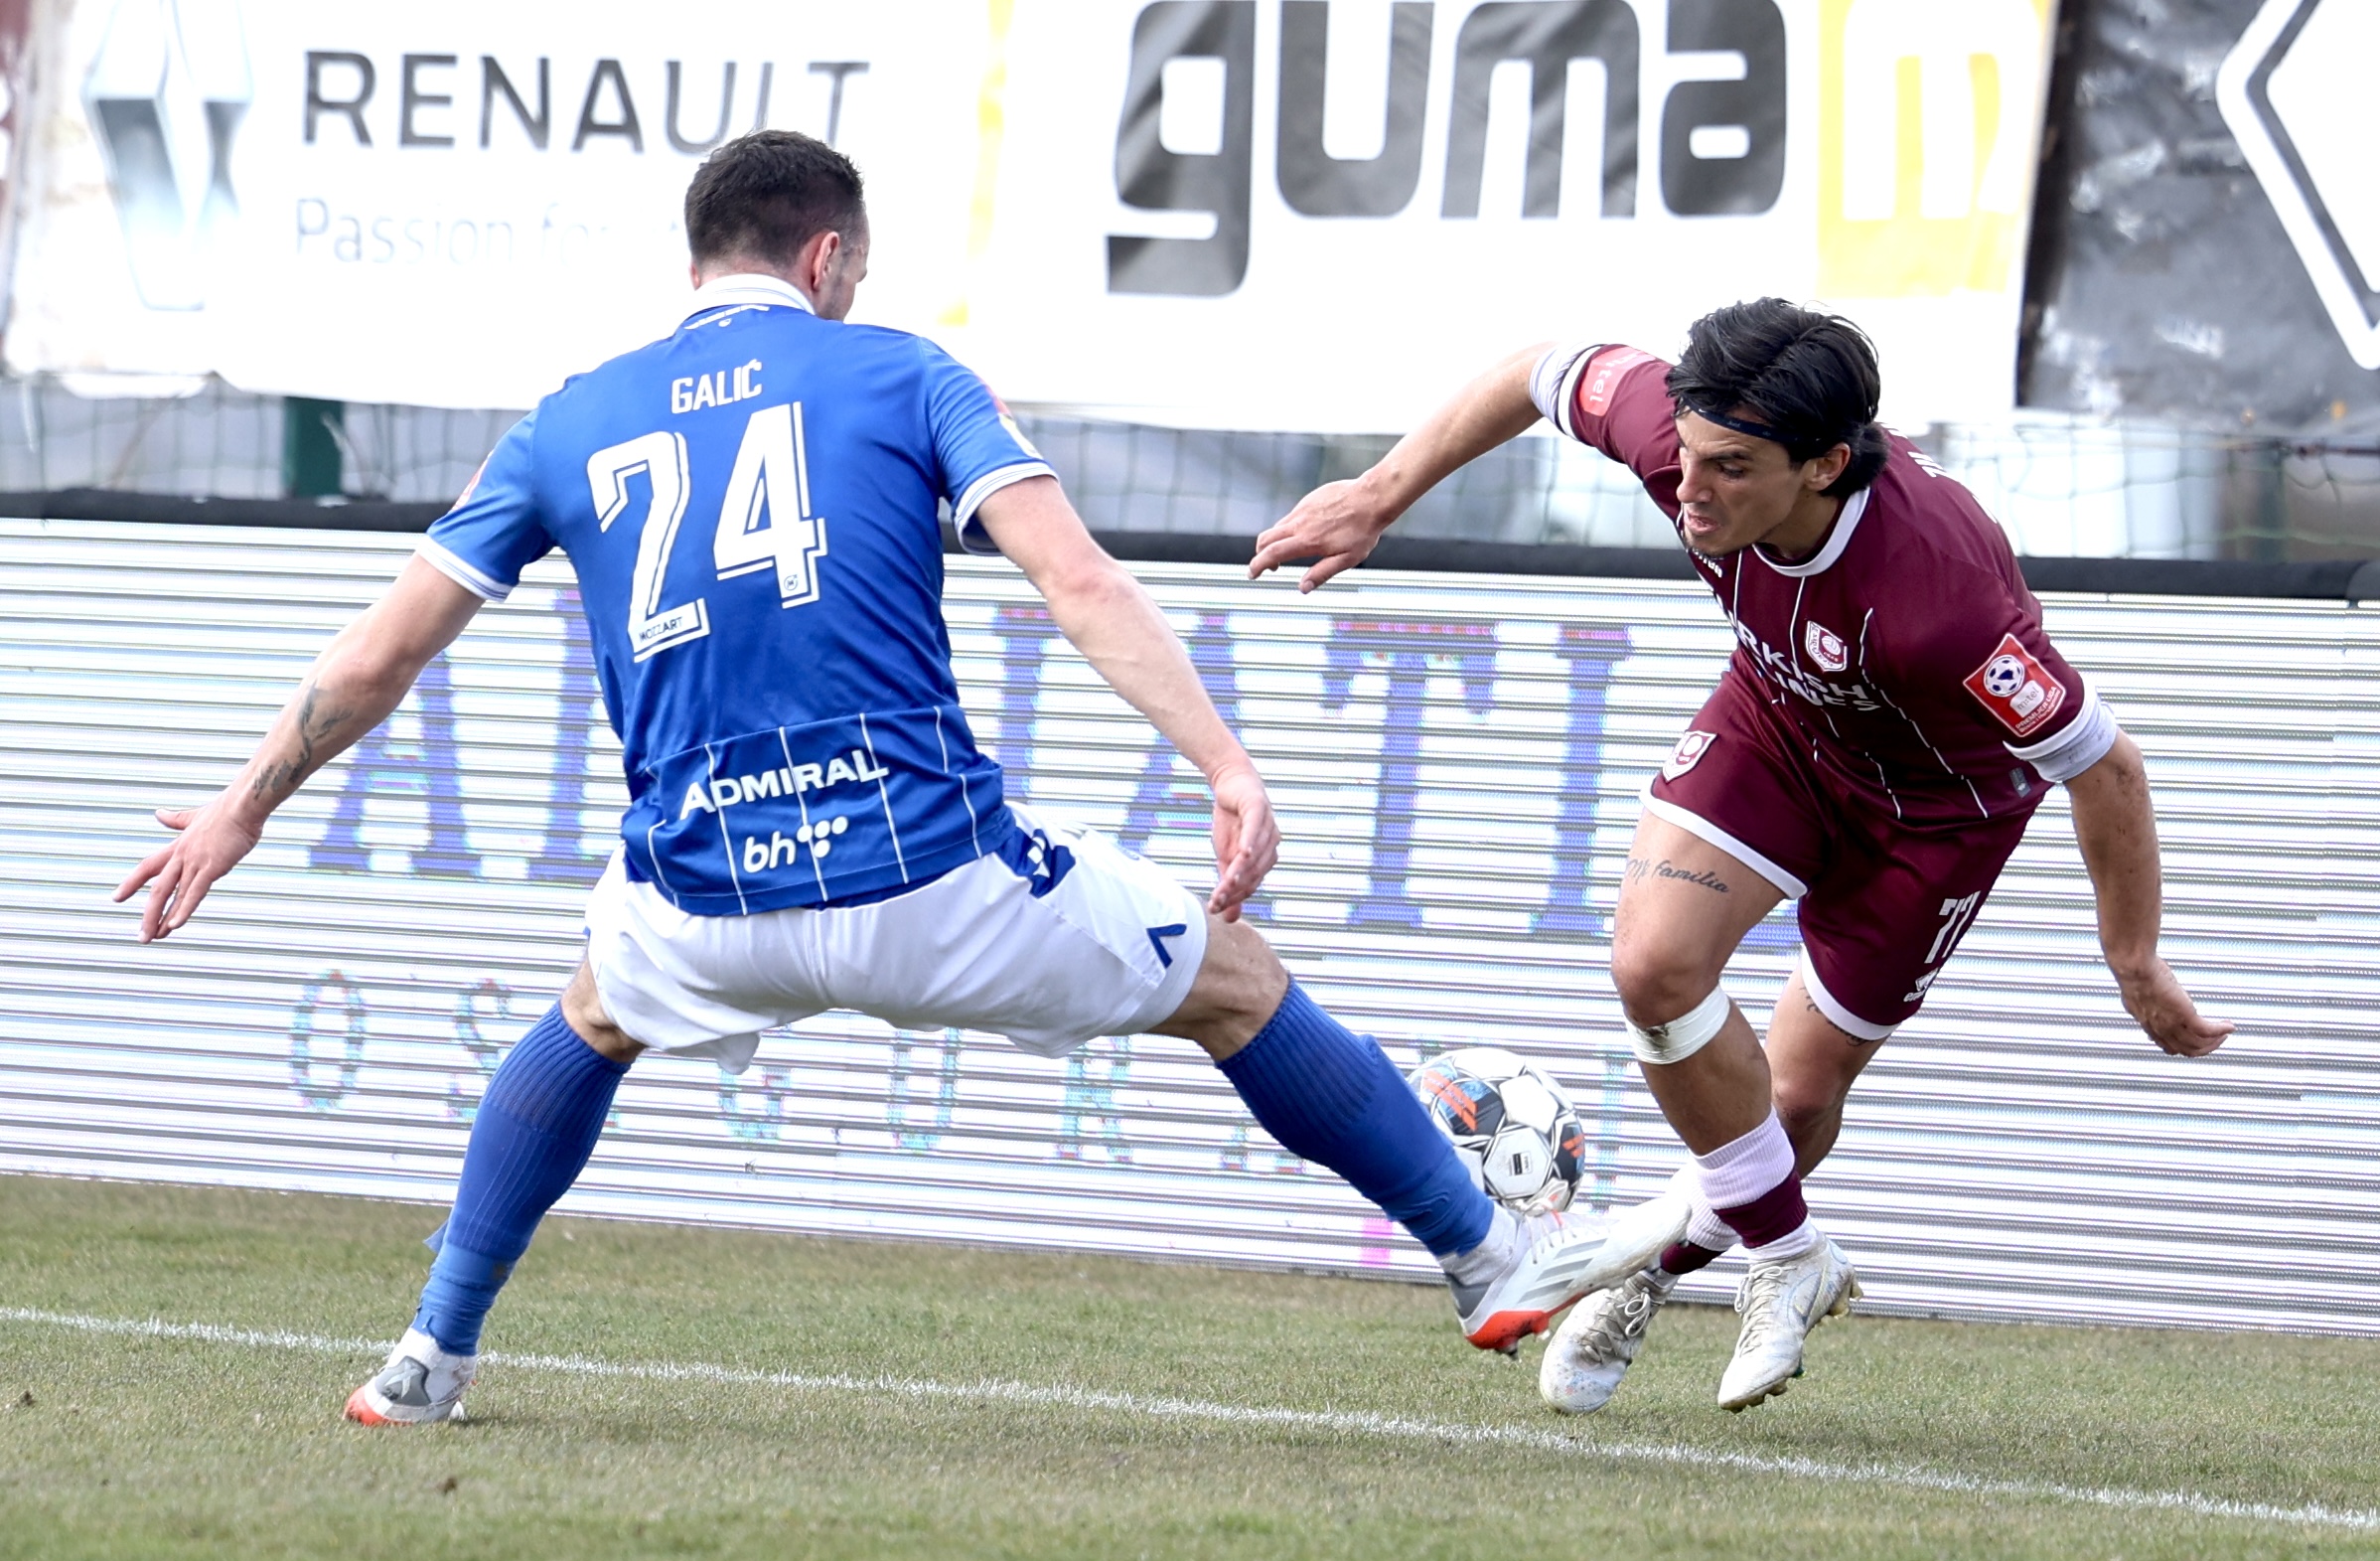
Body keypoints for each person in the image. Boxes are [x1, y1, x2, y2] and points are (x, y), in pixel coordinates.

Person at [113, 132, 1680, 1426]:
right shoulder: (900, 371)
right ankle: (1490, 1254)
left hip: (702, 895)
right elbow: (1074, 581)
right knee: (1239, 984)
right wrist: (1221, 758)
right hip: (927, 877)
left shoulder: (565, 423)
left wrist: (245, 804)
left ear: (694, 268)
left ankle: (430, 1354)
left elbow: (379, 658)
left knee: (590, 1012)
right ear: (826, 261)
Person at [1252, 300, 2232, 1414]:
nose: (1687, 490)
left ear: (1821, 464)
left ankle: (1648, 1271)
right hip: (1778, 728)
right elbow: (1535, 368)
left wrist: (2133, 961)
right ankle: (1789, 1252)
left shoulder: (1941, 602)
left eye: (1727, 468)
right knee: (1651, 967)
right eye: (1686, 454)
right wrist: (1377, 494)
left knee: (1792, 1102)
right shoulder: (1681, 436)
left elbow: (2103, 766)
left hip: (1932, 818)